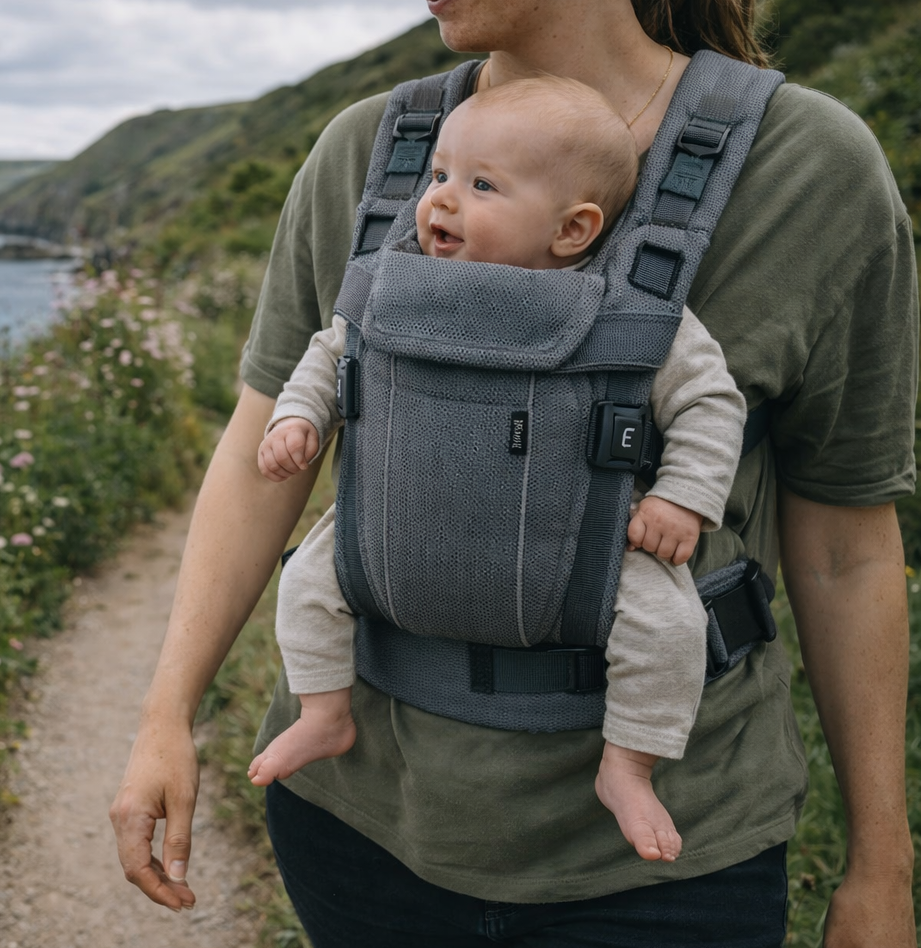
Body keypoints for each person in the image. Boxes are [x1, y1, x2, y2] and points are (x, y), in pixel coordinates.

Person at [110, 0, 918, 948]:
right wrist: (163, 716)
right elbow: (257, 451)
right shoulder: (369, 151)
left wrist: (883, 862)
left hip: (667, 871)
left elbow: (846, 543)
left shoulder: (810, 172)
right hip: (362, 832)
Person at [247, 74, 747, 866]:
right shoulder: (399, 277)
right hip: (391, 516)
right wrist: (298, 419)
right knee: (310, 577)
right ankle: (323, 707)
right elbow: (328, 354)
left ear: (573, 228)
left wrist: (685, 497)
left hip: (580, 538)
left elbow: (710, 403)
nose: (440, 200)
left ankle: (629, 764)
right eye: (440, 174)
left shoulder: (626, 305)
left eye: (482, 185)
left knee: (667, 624)